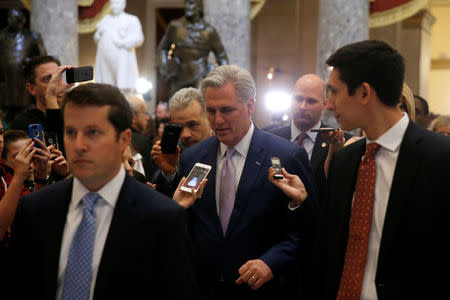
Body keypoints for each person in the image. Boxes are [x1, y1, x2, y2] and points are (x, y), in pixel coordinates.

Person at [6, 83, 196, 299]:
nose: (79, 145)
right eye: (70, 132)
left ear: (123, 140)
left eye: (93, 132)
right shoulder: (34, 210)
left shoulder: (163, 218)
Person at [312, 40, 450, 299]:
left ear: (364, 93)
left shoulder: (440, 159)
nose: (328, 104)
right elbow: (328, 251)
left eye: (334, 92)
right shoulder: (344, 161)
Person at [175, 65, 318, 298]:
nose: (217, 120)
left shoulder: (286, 156)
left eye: (227, 110)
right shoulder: (193, 158)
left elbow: (306, 230)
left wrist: (271, 262)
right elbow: (187, 228)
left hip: (261, 289)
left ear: (250, 105)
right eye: (210, 111)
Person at [270, 74, 351, 198]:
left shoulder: (340, 142)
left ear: (324, 104)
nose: (302, 106)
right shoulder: (271, 138)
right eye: (298, 99)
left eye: (311, 101)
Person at [157, 0, 228, 97]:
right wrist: (165, 67)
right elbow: (163, 48)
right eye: (185, 3)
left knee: (199, 105)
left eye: (190, 3)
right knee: (177, 106)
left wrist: (223, 80)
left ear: (199, 6)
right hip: (179, 74)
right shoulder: (175, 27)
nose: (187, 6)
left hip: (200, 74)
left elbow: (221, 56)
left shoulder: (209, 31)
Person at [151, 87, 212, 196]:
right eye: (179, 127)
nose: (185, 135)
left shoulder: (227, 148)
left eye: (192, 124)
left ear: (209, 118)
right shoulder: (171, 154)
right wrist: (169, 173)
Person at [11, 56, 74, 153]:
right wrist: (51, 96)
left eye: (58, 77)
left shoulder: (73, 116)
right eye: (48, 79)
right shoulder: (24, 122)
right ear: (31, 88)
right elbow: (58, 152)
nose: (56, 84)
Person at [0, 8, 46, 110]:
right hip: (6, 78)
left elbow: (42, 57)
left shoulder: (32, 36)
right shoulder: (2, 36)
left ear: (22, 20)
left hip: (23, 76)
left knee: (23, 105)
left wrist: (31, 61)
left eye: (15, 18)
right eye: (10, 17)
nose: (11, 20)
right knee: (7, 106)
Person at [94, 0, 144, 90]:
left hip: (121, 59)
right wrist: (99, 35)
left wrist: (123, 42)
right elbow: (96, 37)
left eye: (116, 3)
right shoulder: (105, 19)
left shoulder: (131, 19)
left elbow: (139, 38)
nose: (114, 6)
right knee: (106, 88)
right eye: (112, 4)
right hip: (104, 59)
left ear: (123, 4)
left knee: (123, 88)